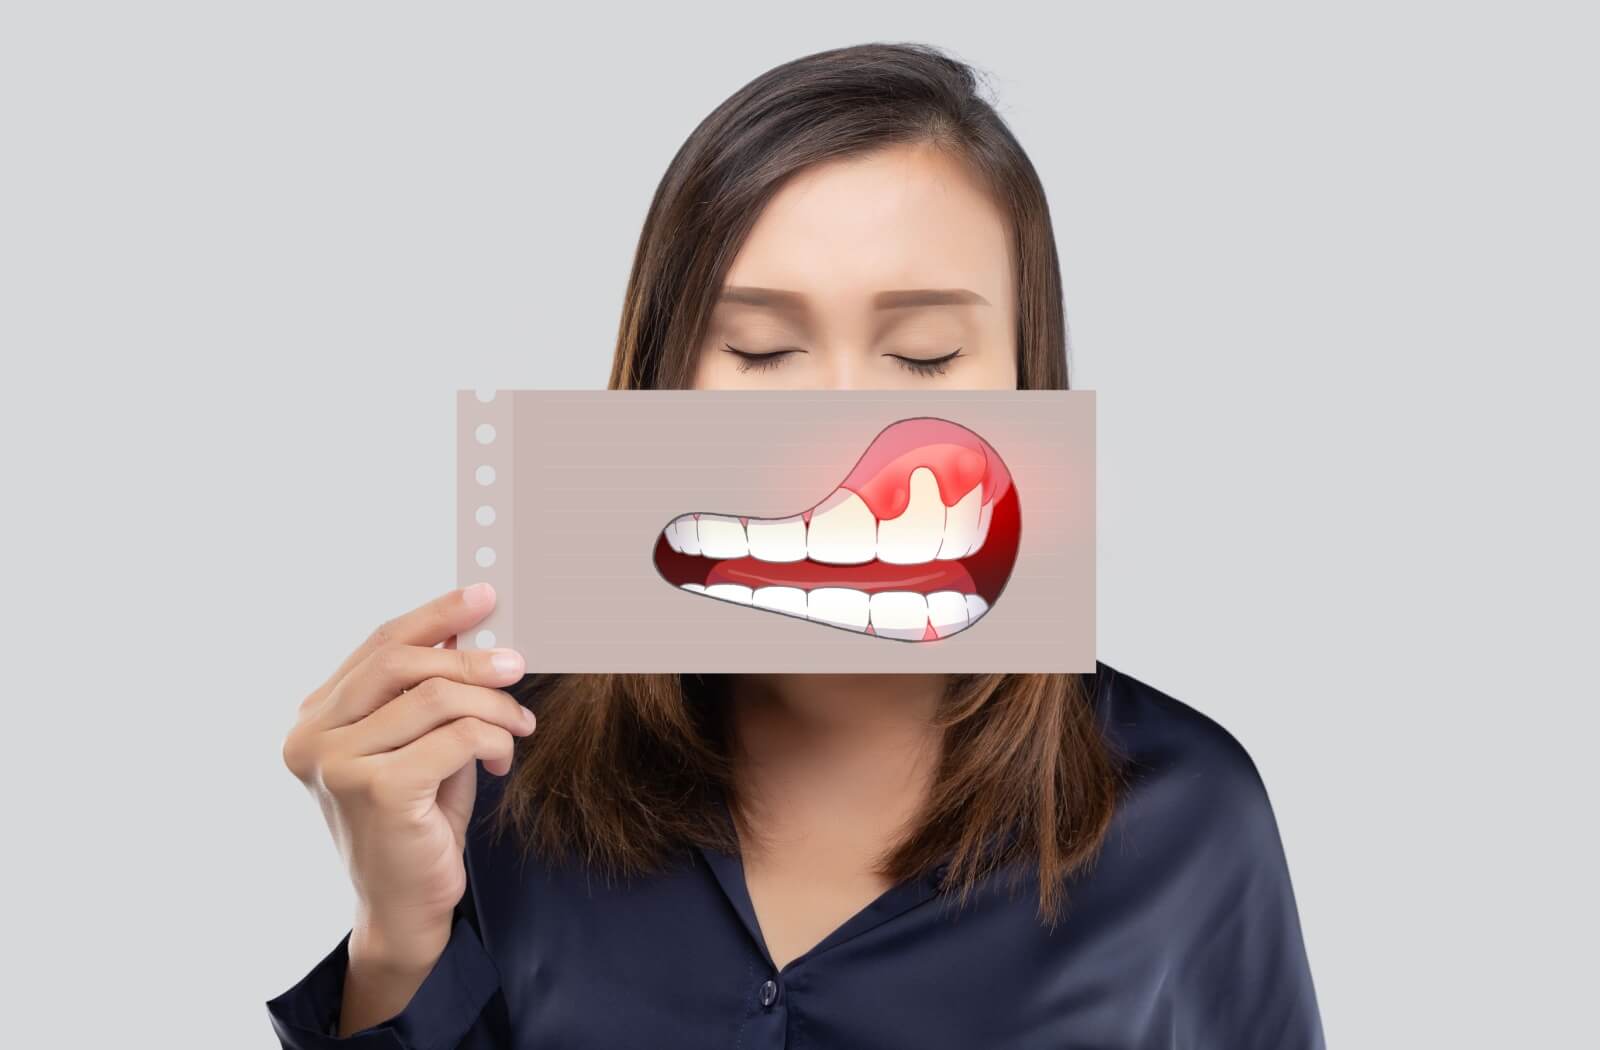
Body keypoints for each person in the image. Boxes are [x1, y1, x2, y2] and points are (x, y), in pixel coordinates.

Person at [268, 42, 1325, 1048]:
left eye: (925, 354)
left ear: (1027, 381)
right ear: (661, 382)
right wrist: (397, 945)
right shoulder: (504, 781)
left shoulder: (1188, 815)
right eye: (761, 349)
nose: (840, 424)